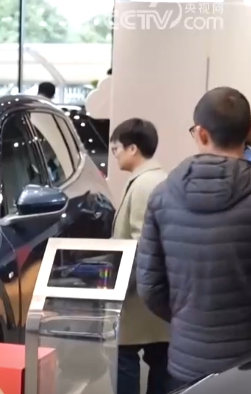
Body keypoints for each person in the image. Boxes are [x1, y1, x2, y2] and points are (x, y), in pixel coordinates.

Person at [137, 87, 251, 392]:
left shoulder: (162, 195)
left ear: (200, 133)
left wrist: (189, 320)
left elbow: (150, 287)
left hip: (187, 362)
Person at [108, 118, 170, 394]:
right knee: (160, 358)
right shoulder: (158, 179)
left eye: (116, 148)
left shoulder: (145, 184)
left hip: (139, 293)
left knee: (125, 356)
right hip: (157, 292)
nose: (115, 155)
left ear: (133, 148)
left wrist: (120, 287)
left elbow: (141, 243)